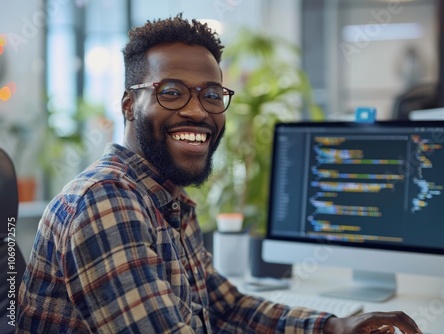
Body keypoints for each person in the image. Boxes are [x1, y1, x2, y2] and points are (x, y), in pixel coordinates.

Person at [17, 15, 422, 334]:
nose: (198, 111)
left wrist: (334, 326)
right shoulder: (106, 201)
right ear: (128, 105)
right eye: (171, 92)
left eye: (212, 95)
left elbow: (225, 307)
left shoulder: (168, 201)